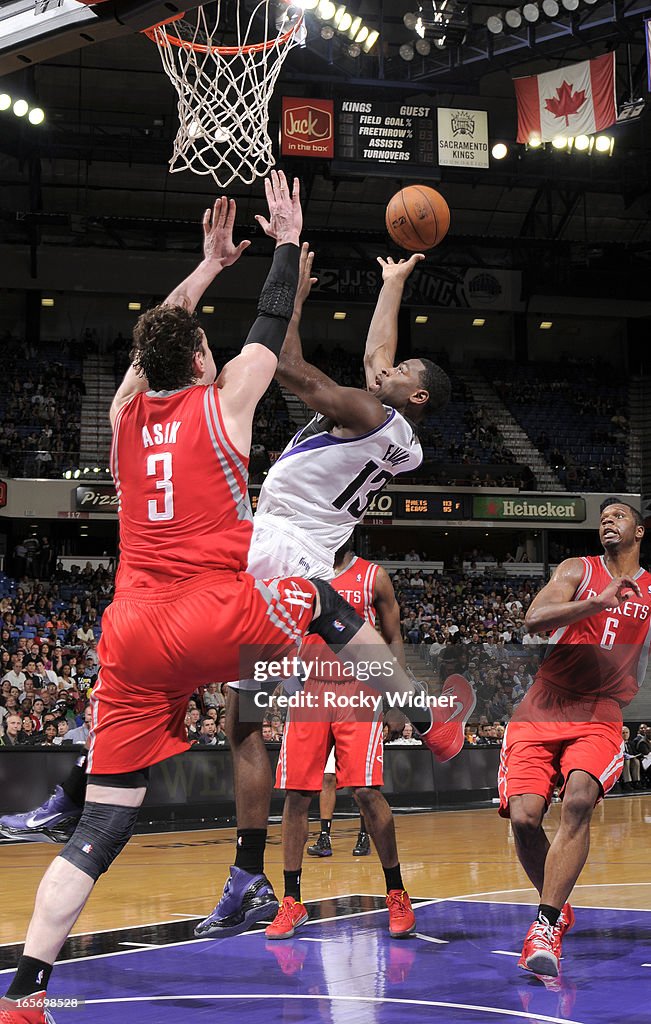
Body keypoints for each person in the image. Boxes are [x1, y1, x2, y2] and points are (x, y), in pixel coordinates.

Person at [0, 172, 397, 1024]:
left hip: (132, 632)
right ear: (204, 362)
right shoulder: (228, 405)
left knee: (101, 831)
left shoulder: (123, 416)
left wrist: (205, 265)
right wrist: (285, 240)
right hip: (213, 615)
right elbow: (270, 320)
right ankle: (421, 711)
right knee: (315, 597)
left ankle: (26, 989)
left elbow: (154, 349)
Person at [196, 245, 476, 941]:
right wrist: (391, 285)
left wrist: (287, 293)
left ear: (413, 395)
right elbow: (376, 361)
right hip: (298, 550)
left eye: (401, 371)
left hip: (279, 550)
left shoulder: (364, 411)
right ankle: (422, 715)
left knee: (243, 717)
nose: (384, 368)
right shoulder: (395, 434)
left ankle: (419, 711)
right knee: (242, 720)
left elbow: (286, 367)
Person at [498, 497, 651, 977]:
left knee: (579, 799)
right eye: (603, 516)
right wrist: (596, 601)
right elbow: (535, 618)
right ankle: (558, 905)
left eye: (619, 515)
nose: (608, 520)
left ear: (639, 531)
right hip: (545, 702)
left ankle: (545, 925)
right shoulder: (577, 569)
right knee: (524, 818)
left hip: (601, 709)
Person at [266, 541, 416, 939]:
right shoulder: (296, 572)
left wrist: (397, 698)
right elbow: (279, 629)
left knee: (366, 791)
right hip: (311, 690)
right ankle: (291, 901)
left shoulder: (373, 575)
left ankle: (397, 892)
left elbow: (393, 637)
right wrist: (286, 680)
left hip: (360, 688)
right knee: (296, 794)